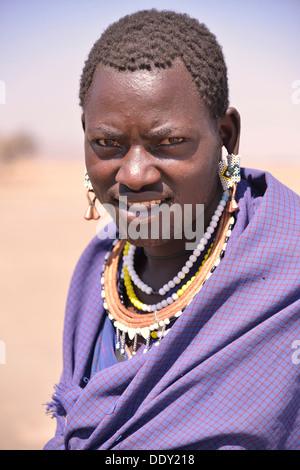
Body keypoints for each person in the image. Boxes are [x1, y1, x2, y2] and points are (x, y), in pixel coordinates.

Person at [44, 9, 300, 450]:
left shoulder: (287, 275)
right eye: (108, 144)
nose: (135, 174)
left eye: (168, 143)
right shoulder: (96, 275)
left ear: (226, 136)